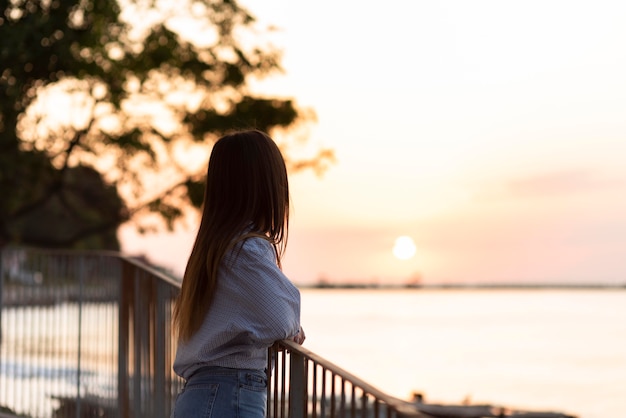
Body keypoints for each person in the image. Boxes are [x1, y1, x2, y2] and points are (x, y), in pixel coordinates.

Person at [171, 129, 305, 418]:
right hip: (227, 396)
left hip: (205, 396)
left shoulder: (215, 246)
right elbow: (279, 317)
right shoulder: (245, 248)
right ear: (266, 186)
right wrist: (293, 328)